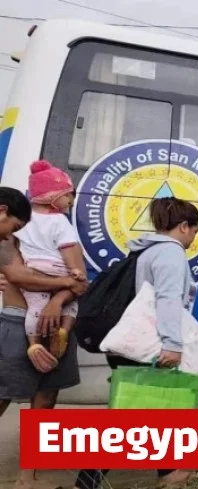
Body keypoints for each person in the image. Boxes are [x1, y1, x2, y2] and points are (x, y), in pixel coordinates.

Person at [74, 197, 198, 489]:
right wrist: (172, 344)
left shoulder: (144, 250)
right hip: (147, 347)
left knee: (157, 409)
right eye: (195, 231)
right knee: (130, 417)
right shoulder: (170, 253)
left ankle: (168, 473)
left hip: (129, 343)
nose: (193, 238)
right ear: (184, 226)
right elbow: (167, 299)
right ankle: (85, 482)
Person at [0, 186, 89, 489]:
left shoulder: (61, 230)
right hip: (17, 321)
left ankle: (27, 479)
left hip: (58, 323)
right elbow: (18, 276)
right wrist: (66, 282)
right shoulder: (8, 237)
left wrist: (57, 300)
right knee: (3, 396)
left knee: (46, 400)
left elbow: (81, 282)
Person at [14, 161, 86, 370]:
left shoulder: (23, 220)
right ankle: (63, 330)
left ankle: (34, 344)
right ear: (53, 197)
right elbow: (67, 246)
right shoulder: (60, 221)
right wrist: (75, 271)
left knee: (35, 308)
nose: (71, 201)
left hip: (34, 269)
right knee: (71, 305)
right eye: (68, 195)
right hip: (60, 269)